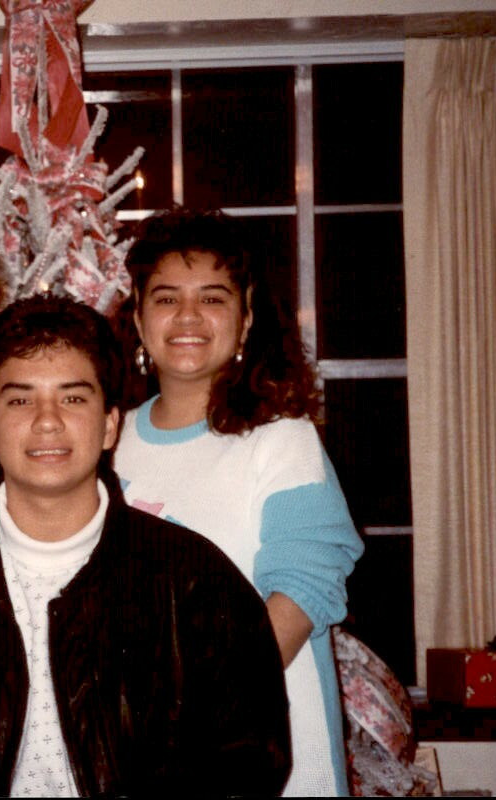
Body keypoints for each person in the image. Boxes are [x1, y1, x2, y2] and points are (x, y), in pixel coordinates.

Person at [0, 294, 292, 797]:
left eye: (73, 399)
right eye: (21, 400)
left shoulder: (196, 583)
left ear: (110, 425)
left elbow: (247, 766)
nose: (47, 421)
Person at [113, 208, 365, 796]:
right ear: (139, 317)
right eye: (167, 298)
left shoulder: (281, 439)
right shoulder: (110, 442)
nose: (188, 317)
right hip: (141, 753)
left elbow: (301, 593)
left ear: (246, 317)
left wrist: (193, 718)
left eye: (213, 298)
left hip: (261, 748)